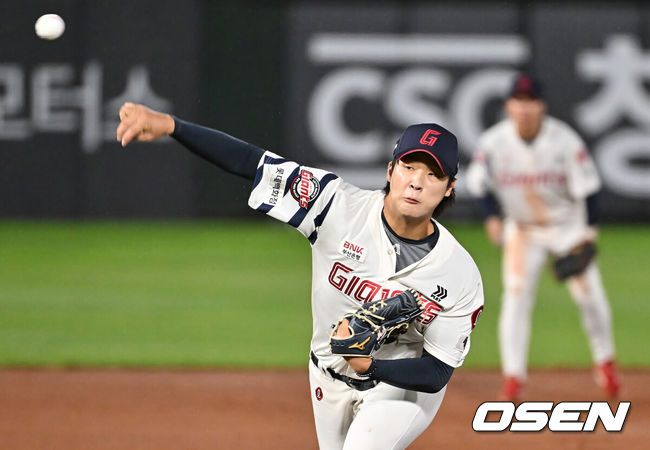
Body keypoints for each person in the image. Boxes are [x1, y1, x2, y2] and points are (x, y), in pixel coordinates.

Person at [117, 103, 484, 449]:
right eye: (409, 167)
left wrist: (370, 365)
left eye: (433, 174)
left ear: (449, 188)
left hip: (401, 388)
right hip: (326, 376)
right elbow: (251, 162)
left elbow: (437, 372)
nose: (417, 182)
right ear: (390, 171)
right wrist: (173, 126)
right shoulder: (334, 205)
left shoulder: (458, 273)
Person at [466, 74, 620, 400]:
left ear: (542, 106)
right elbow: (477, 184)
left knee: (590, 296)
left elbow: (591, 191)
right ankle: (513, 377)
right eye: (519, 101)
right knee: (516, 297)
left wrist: (588, 233)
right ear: (509, 106)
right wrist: (492, 217)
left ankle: (605, 362)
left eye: (531, 101)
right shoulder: (493, 143)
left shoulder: (565, 141)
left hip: (567, 227)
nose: (525, 108)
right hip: (523, 230)